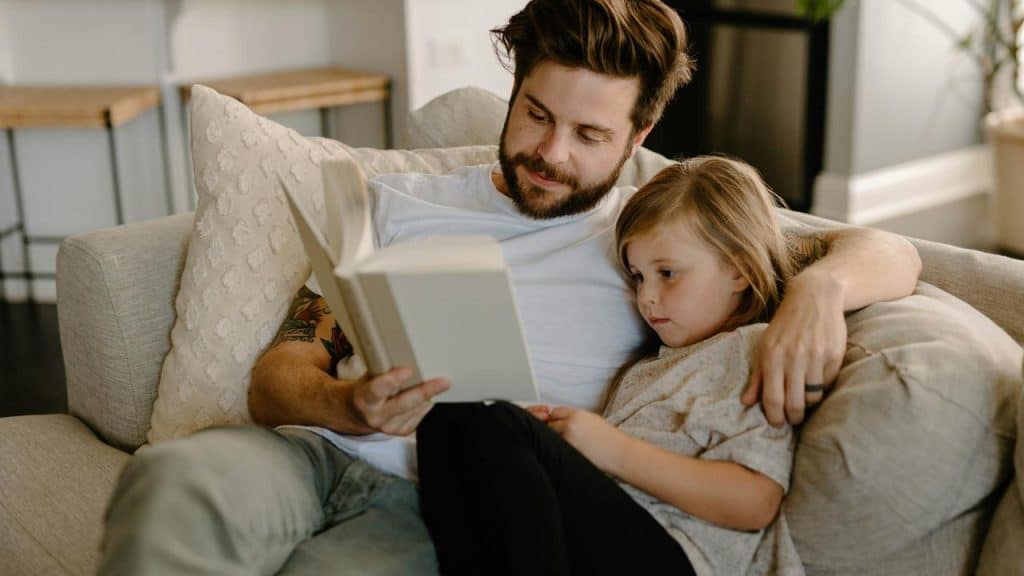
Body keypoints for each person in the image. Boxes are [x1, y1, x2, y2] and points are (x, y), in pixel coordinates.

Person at [98, 1, 922, 574]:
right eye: (536, 114)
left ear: (640, 134)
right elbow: (279, 373)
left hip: (437, 506)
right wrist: (345, 406)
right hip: (309, 454)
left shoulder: (656, 242)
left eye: (590, 134)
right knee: (174, 482)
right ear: (516, 87)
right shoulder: (395, 205)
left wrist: (821, 292)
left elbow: (899, 255)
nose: (551, 153)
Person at [417, 156, 805, 576]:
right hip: (612, 534)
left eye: (668, 273)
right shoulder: (651, 364)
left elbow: (755, 502)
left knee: (497, 425)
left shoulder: (755, 348)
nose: (647, 297)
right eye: (638, 277)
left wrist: (612, 450)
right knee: (447, 415)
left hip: (684, 554)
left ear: (740, 270)